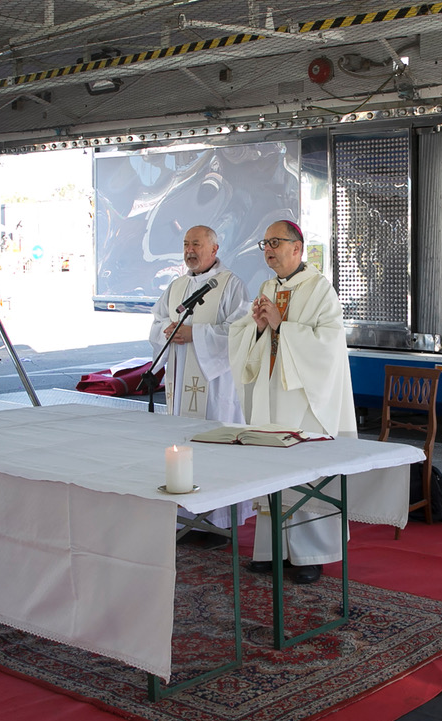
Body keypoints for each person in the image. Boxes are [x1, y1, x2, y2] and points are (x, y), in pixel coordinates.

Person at [228, 219, 356, 584]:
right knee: (272, 471)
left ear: (297, 249)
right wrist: (255, 325)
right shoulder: (267, 286)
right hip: (271, 394)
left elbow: (330, 345)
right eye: (264, 243)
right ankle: (272, 551)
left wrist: (284, 325)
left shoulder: (320, 289)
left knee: (304, 473)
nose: (268, 249)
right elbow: (246, 337)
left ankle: (309, 555)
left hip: (303, 400)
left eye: (276, 242)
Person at [149, 225, 252, 533]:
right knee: (183, 443)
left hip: (216, 384)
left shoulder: (231, 284)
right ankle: (188, 518)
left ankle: (219, 519)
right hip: (182, 382)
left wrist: (195, 334)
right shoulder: (177, 285)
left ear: (214, 249)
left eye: (196, 244)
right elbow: (157, 321)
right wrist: (167, 330)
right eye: (185, 244)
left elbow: (240, 329)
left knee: (214, 445)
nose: (189, 250)